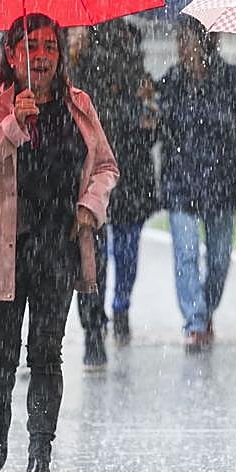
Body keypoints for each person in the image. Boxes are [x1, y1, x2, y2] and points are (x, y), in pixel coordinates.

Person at [0, 13, 118, 472]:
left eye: (48, 47)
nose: (39, 57)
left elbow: (105, 165)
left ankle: (40, 450)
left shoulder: (77, 104)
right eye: (29, 47)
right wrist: (10, 126)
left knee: (46, 353)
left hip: (57, 247)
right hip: (3, 247)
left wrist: (90, 205)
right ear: (10, 54)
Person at [158, 16, 236, 351]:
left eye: (187, 39)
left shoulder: (232, 79)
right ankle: (194, 320)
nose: (181, 47)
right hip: (181, 181)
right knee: (186, 253)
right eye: (178, 39)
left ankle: (207, 308)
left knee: (220, 258)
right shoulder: (172, 81)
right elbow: (161, 129)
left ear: (205, 41)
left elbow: (235, 124)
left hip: (221, 182)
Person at [77, 20, 158, 349]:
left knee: (112, 250)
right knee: (99, 251)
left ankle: (109, 316)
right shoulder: (84, 71)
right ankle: (99, 323)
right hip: (101, 175)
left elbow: (150, 129)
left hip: (126, 174)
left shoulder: (137, 79)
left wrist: (148, 114)